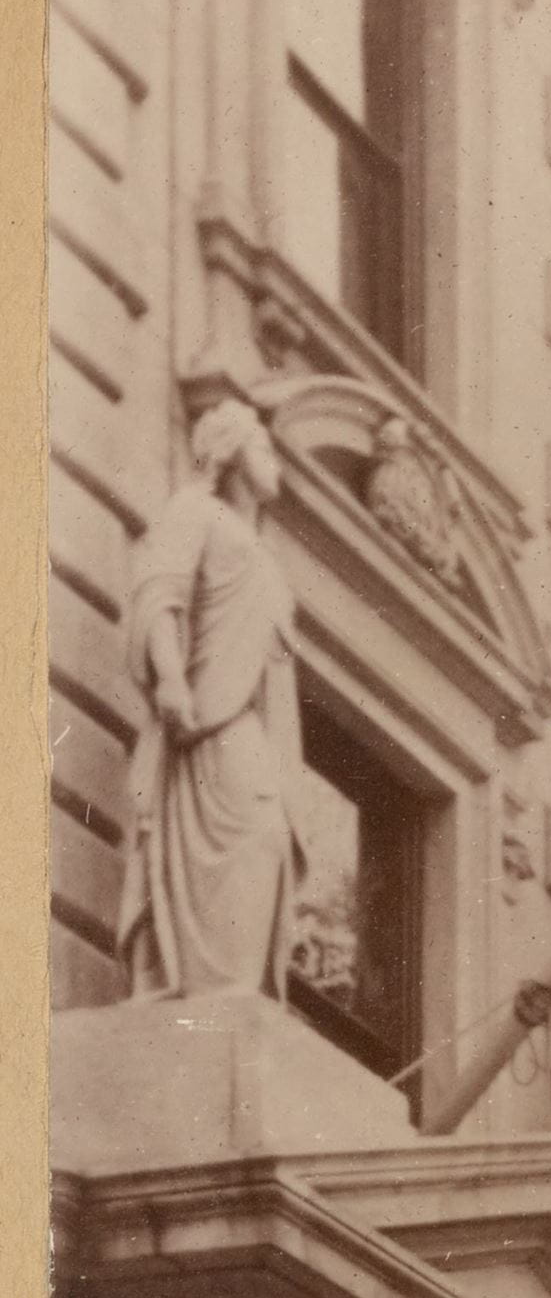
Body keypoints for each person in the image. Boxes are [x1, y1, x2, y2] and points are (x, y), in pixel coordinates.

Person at [121, 392, 308, 1000]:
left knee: (269, 838)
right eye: (259, 444)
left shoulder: (262, 552)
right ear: (228, 455)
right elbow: (158, 592)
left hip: (249, 722)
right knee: (254, 835)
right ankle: (214, 994)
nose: (272, 457)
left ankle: (234, 992)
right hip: (209, 723)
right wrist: (171, 678)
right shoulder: (196, 511)